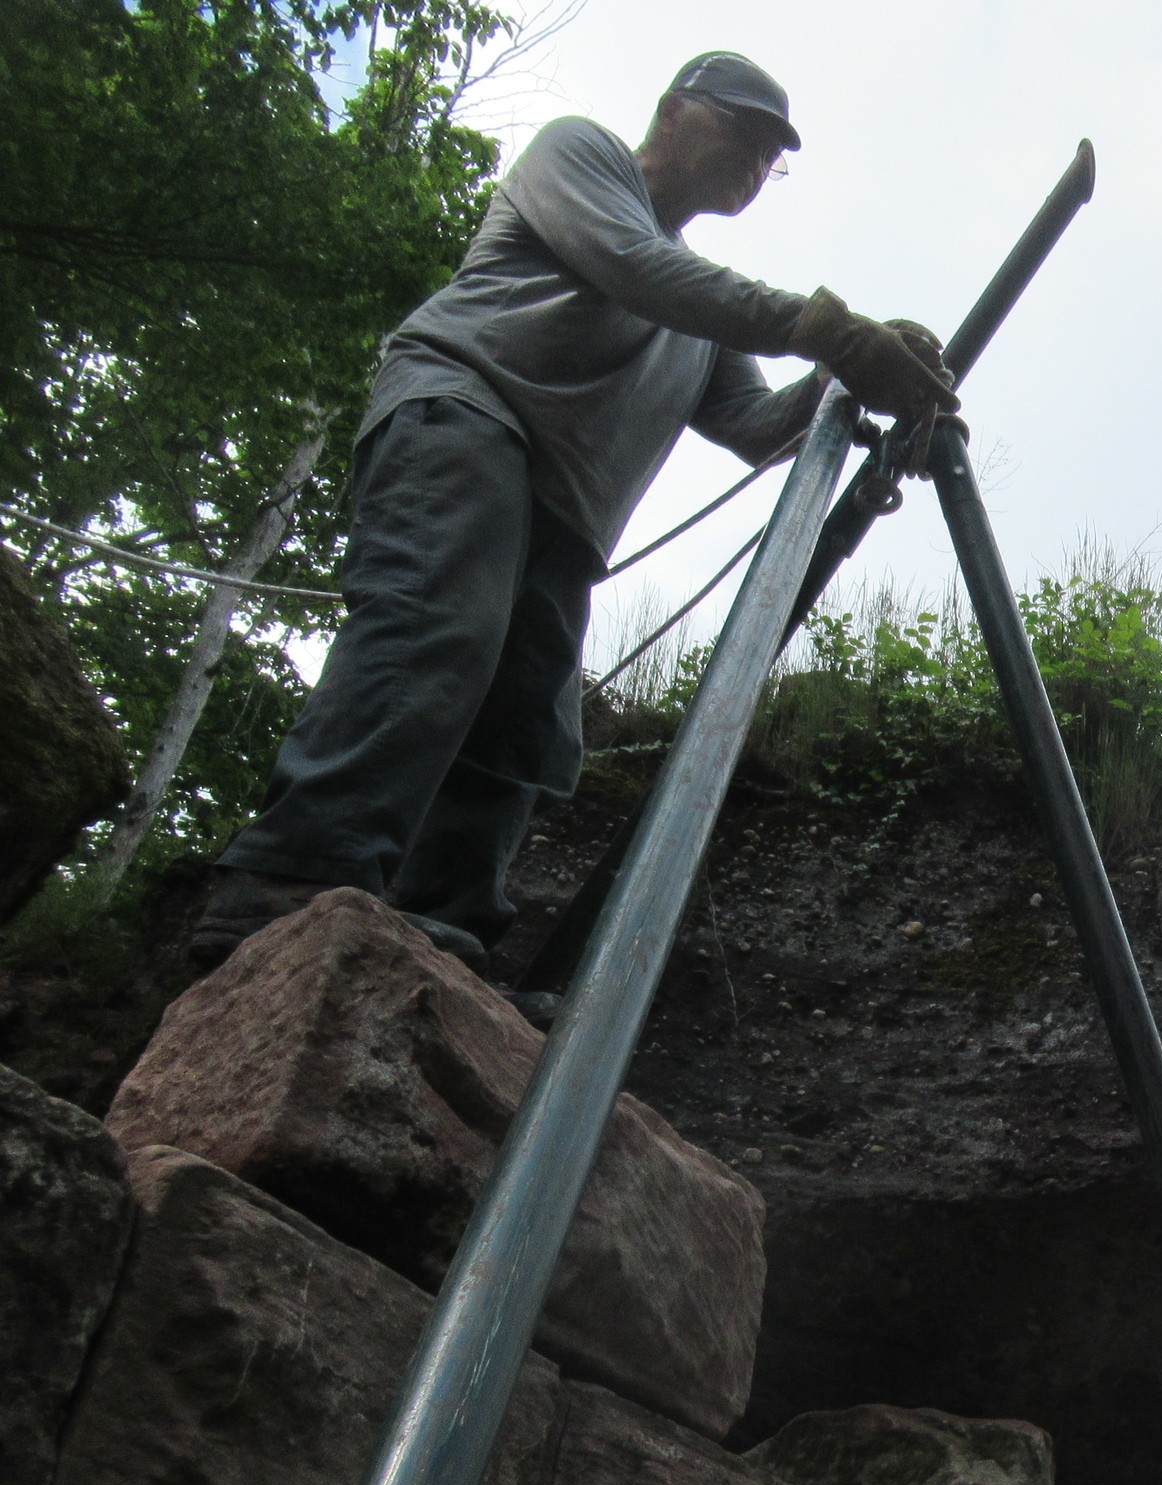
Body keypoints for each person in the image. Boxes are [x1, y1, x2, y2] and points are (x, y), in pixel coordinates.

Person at [192, 51, 955, 971]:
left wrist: (845, 379)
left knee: (530, 720)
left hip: (567, 511)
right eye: (746, 133)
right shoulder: (581, 157)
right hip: (467, 412)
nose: (759, 162)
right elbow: (632, 266)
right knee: (438, 626)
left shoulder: (699, 305)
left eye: (772, 156)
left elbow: (757, 427)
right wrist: (826, 330)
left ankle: (440, 930)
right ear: (673, 110)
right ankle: (294, 868)